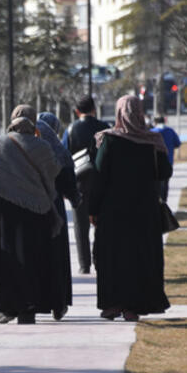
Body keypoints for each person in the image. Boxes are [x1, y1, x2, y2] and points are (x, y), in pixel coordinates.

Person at [0, 105, 61, 325]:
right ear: (33, 122)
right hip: (36, 213)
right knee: (32, 260)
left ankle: (6, 308)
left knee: (5, 260)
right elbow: (54, 172)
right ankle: (29, 309)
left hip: (4, 215)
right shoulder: (42, 147)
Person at [89, 95, 172, 322]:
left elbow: (99, 177)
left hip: (113, 212)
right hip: (144, 211)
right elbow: (165, 173)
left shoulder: (109, 141)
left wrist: (93, 209)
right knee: (140, 257)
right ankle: (134, 306)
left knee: (112, 258)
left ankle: (112, 305)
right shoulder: (152, 141)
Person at [36, 112, 80, 321]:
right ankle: (59, 302)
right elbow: (69, 182)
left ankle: (36, 300)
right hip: (55, 210)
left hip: (31, 208)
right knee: (57, 257)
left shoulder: (29, 148)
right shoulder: (58, 150)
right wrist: (76, 200)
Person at [61, 95, 110, 274]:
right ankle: (100, 259)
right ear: (94, 109)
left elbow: (64, 157)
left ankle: (84, 264)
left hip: (78, 183)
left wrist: (66, 187)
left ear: (77, 111)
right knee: (101, 224)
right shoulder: (104, 128)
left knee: (81, 227)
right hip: (101, 182)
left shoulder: (71, 129)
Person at [149, 115, 181, 202]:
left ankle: (157, 200)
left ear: (155, 122)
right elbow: (177, 143)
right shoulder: (170, 131)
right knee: (166, 182)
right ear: (164, 121)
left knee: (156, 183)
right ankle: (164, 201)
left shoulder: (151, 132)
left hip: (154, 162)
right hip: (168, 160)